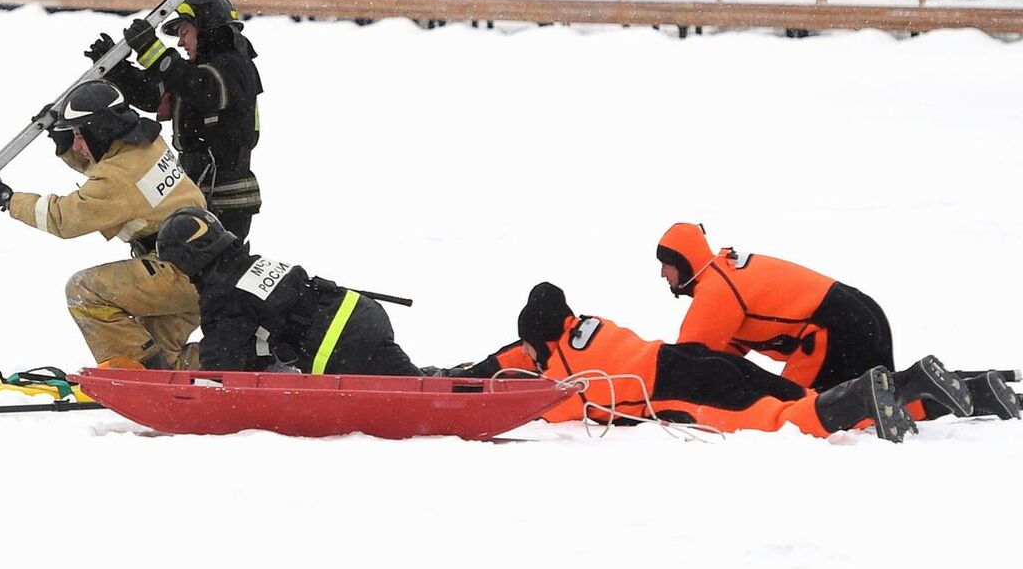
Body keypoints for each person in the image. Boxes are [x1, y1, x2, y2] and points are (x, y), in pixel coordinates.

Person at [655, 222, 1016, 420]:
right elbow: (722, 353)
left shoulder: (716, 290)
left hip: (834, 329)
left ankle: (957, 388)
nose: (662, 275)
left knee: (809, 407)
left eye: (666, 265)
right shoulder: (727, 270)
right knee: (880, 400)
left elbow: (684, 363)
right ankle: (981, 391)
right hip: (858, 313)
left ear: (685, 262)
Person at [485, 281, 930, 441]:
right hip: (697, 359)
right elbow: (524, 352)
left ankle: (859, 396)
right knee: (804, 395)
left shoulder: (565, 372)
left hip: (683, 390)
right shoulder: (587, 324)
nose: (525, 356)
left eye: (528, 348)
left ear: (542, 341)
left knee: (781, 420)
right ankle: (916, 387)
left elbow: (547, 407)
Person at [0, 79, 206, 370]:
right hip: (200, 266)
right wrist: (64, 139)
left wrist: (4, 197)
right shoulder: (146, 142)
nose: (78, 145)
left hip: (175, 271)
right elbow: (105, 164)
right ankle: (231, 367)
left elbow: (63, 218)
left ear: (101, 129)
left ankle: (141, 375)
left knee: (83, 292)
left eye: (80, 135)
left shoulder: (117, 178)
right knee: (165, 355)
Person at [153, 206, 421, 376]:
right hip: (360, 312)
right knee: (404, 376)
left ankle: (454, 387)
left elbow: (222, 367)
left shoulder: (222, 295)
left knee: (406, 385)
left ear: (190, 259)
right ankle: (448, 380)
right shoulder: (247, 265)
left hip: (339, 343)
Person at [85, 0, 263, 238]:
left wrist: (153, 51)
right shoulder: (192, 71)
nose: (180, 42)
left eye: (184, 32)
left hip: (225, 199)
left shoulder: (235, 67)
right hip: (197, 188)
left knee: (206, 270)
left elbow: (204, 89)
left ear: (206, 27)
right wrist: (117, 70)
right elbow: (151, 94)